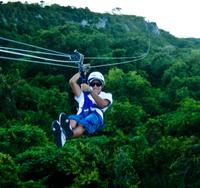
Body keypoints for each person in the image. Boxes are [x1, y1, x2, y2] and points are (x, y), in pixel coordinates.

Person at [51, 71, 113, 147]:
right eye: (93, 84)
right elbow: (72, 82)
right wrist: (81, 72)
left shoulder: (106, 95)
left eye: (98, 84)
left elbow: (103, 104)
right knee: (74, 119)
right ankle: (65, 132)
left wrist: (90, 90)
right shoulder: (82, 95)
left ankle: (67, 134)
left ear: (102, 85)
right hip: (82, 114)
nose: (95, 86)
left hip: (95, 116)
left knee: (83, 124)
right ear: (89, 84)